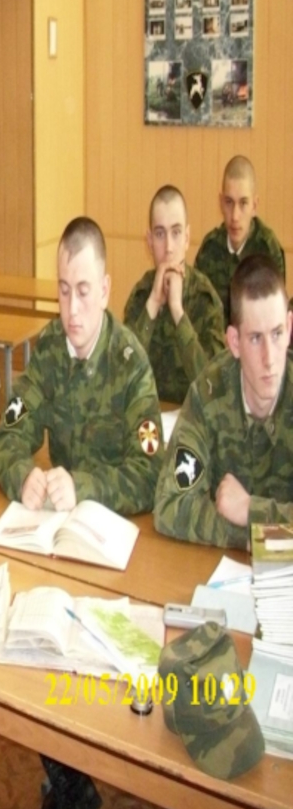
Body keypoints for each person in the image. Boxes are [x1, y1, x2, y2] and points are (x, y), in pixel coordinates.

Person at [0, 216, 162, 809]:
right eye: (63, 290)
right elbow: (8, 433)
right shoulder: (46, 352)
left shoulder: (129, 362)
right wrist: (23, 474)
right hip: (62, 546)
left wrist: (83, 485)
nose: (71, 308)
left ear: (107, 289)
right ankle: (68, 778)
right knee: (33, 636)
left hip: (123, 547)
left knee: (127, 668)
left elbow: (149, 473)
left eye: (84, 291)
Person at [155, 255, 293, 547]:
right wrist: (261, 537)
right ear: (234, 342)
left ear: (290, 327)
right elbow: (169, 507)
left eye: (277, 334)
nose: (269, 358)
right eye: (255, 338)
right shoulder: (209, 394)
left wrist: (249, 510)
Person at [124, 185, 225, 404]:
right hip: (148, 416)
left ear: (187, 238)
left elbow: (213, 388)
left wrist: (178, 313)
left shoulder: (205, 299)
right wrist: (152, 305)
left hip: (193, 418)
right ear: (149, 242)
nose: (169, 247)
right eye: (160, 234)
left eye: (176, 233)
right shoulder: (141, 296)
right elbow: (121, 378)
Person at [195, 155, 286, 325]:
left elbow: (275, 317)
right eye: (229, 202)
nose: (235, 216)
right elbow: (198, 315)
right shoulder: (209, 250)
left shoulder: (268, 251)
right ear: (221, 203)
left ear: (254, 206)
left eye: (243, 203)